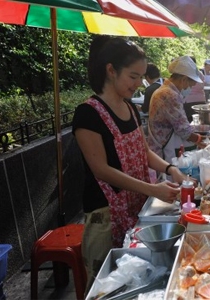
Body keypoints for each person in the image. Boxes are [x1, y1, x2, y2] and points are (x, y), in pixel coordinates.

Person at [72, 36, 188, 288]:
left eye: (141, 77)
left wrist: (171, 169)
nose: (138, 84)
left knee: (140, 279)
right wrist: (151, 189)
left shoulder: (130, 108)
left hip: (137, 206)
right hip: (106, 214)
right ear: (111, 70)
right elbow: (100, 170)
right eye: (133, 77)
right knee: (107, 285)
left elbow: (144, 151)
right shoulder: (88, 113)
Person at [147, 56, 206, 163]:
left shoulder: (164, 90)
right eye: (189, 84)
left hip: (160, 145)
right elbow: (183, 130)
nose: (188, 88)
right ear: (183, 79)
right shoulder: (170, 95)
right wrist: (200, 140)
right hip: (163, 149)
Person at [183, 57, 207, 122]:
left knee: (190, 122)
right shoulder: (200, 73)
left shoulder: (184, 74)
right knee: (202, 121)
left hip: (188, 102)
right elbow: (203, 85)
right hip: (201, 101)